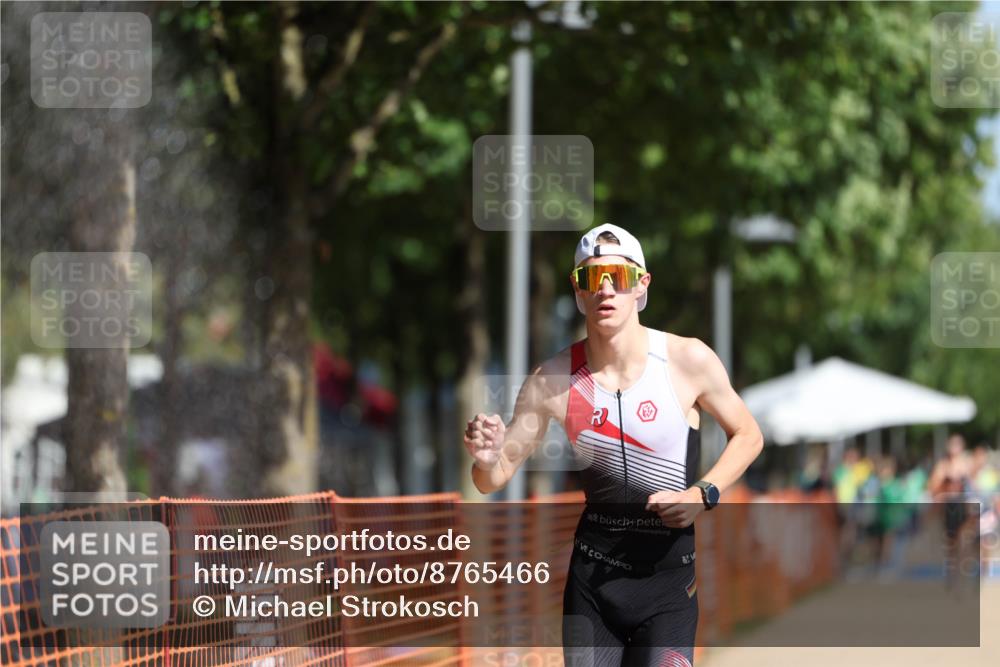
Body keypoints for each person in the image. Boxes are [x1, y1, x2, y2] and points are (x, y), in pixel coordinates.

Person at [463, 223, 763, 667]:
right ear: (577, 291)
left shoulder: (686, 360)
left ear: (641, 285)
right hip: (592, 590)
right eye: (591, 278)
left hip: (668, 588)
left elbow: (749, 435)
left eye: (618, 277)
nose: (605, 290)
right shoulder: (554, 379)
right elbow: (493, 476)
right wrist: (487, 458)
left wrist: (703, 494)